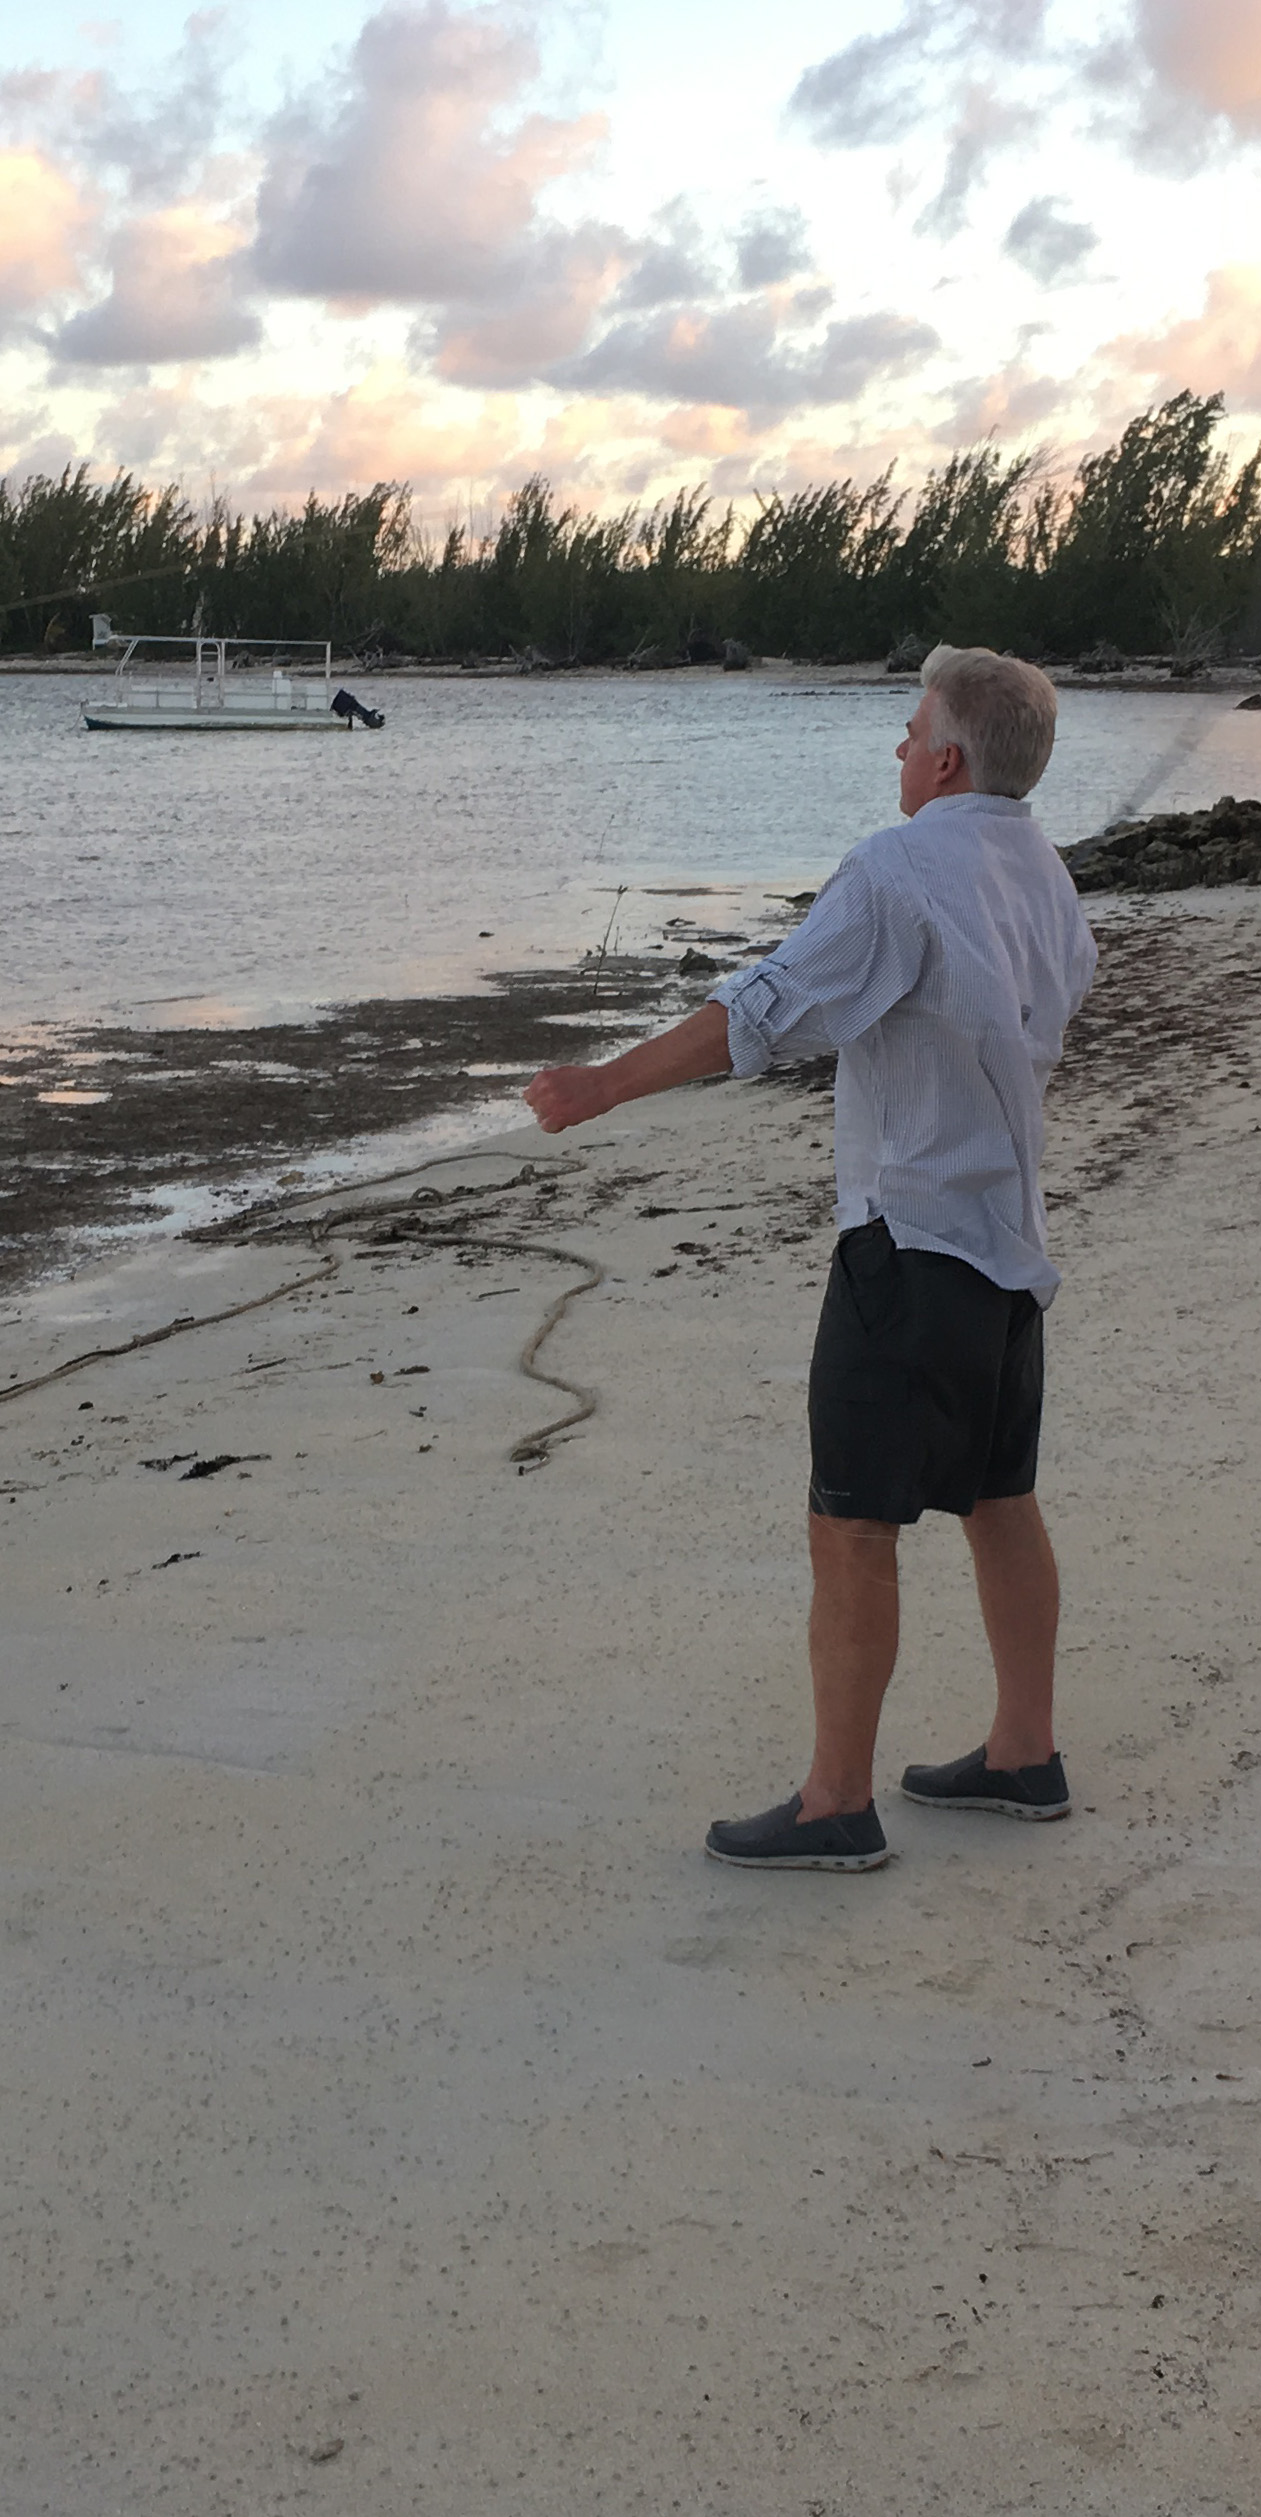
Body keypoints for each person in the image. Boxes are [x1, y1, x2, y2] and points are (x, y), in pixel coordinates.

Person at [524, 645, 1098, 1869]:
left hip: (912, 1239)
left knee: (851, 1522)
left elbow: (765, 1009)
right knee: (1000, 1498)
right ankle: (1022, 1751)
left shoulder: (897, 869)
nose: (896, 749)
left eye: (909, 731)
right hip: (1005, 1243)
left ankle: (837, 1800)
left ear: (948, 755)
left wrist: (600, 1086)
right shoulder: (1043, 871)